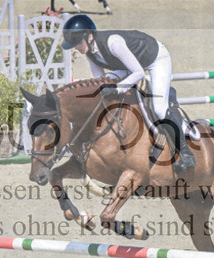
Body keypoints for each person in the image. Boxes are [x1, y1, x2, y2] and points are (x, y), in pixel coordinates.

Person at [61, 14, 195, 171]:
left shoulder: (113, 44)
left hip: (155, 59)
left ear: (90, 37)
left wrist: (118, 88)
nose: (75, 48)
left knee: (159, 108)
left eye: (77, 43)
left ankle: (186, 153)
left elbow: (138, 73)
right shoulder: (90, 53)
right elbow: (101, 81)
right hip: (127, 65)